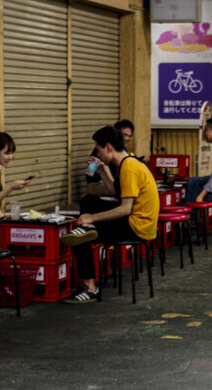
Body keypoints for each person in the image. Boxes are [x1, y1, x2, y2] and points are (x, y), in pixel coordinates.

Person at [61, 125, 159, 303]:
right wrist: (102, 172)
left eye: (99, 150)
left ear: (108, 147)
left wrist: (92, 218)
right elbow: (116, 193)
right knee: (88, 201)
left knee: (81, 235)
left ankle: (90, 288)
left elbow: (125, 208)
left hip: (137, 226)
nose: (98, 155)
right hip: (135, 220)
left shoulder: (129, 167)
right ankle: (87, 229)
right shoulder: (128, 161)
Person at [85, 119, 134, 197]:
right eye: (124, 135)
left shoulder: (122, 152)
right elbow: (89, 173)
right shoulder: (101, 150)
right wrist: (101, 170)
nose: (126, 138)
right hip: (99, 184)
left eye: (129, 136)